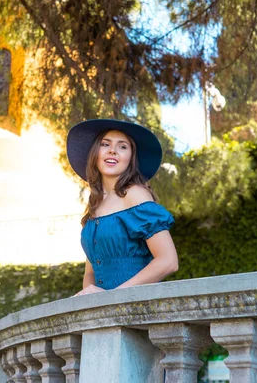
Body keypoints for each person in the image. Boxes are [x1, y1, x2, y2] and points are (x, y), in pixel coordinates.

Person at [66, 119, 179, 296]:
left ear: (130, 159)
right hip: (105, 313)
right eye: (105, 144)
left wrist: (113, 297)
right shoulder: (95, 205)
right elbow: (90, 272)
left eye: (122, 146)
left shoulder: (135, 194)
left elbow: (168, 261)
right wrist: (89, 299)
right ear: (95, 154)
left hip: (135, 307)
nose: (113, 150)